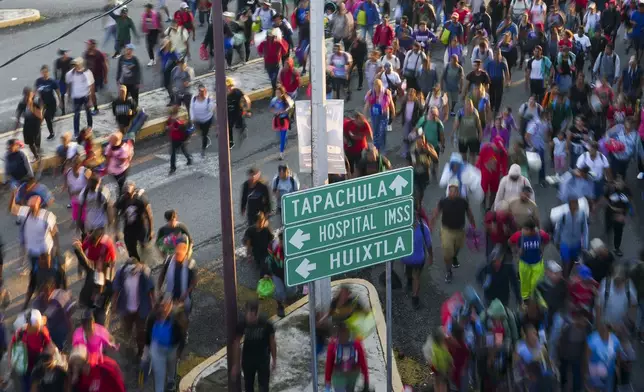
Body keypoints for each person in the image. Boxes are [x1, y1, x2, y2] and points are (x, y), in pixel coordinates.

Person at [429, 179, 476, 283]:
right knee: (447, 251)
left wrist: (473, 225)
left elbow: (469, 213)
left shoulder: (463, 201)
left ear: (458, 192)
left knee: (458, 247)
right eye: (451, 191)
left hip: (459, 230)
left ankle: (454, 256)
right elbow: (436, 213)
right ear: (448, 191)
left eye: (455, 191)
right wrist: (431, 225)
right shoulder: (443, 202)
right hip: (447, 230)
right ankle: (448, 271)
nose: (453, 193)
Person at [112, 257, 155, 360]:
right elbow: (116, 290)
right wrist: (114, 305)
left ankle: (141, 352)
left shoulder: (144, 273)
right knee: (127, 330)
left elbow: (151, 290)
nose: (132, 272)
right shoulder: (121, 273)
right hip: (126, 309)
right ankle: (128, 348)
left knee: (141, 332)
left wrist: (154, 304)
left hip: (141, 309)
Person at [72, 229, 117, 324]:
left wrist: (111, 306)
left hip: (99, 307)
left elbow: (113, 261)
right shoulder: (92, 272)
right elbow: (83, 259)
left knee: (100, 320)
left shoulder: (109, 285)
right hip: (88, 302)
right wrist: (77, 249)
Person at [143, 295, 186, 392]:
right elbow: (148, 336)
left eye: (166, 306)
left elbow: (182, 336)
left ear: (170, 306)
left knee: (171, 367)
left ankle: (171, 381)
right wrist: (145, 354)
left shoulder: (176, 318)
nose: (163, 309)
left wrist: (179, 352)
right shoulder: (152, 318)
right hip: (157, 350)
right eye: (161, 306)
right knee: (159, 375)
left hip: (172, 349)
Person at [232, 300, 277, 392]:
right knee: (248, 386)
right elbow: (236, 343)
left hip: (263, 360)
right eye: (249, 315)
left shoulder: (266, 324)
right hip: (248, 360)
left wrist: (274, 359)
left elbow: (272, 342)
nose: (250, 319)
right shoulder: (242, 323)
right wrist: (236, 364)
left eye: (253, 316)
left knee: (263, 387)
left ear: (257, 314)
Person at [9, 310, 53, 392]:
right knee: (26, 385)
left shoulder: (43, 331)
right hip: (25, 364)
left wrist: (51, 356)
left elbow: (49, 344)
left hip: (38, 363)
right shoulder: (21, 332)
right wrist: (10, 360)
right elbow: (11, 344)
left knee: (37, 383)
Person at [509, 220, 550, 300]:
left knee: (537, 284)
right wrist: (516, 251)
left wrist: (543, 248)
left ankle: (535, 299)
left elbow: (547, 239)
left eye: (524, 229)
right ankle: (525, 299)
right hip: (524, 263)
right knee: (525, 283)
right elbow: (510, 242)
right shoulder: (519, 235)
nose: (522, 231)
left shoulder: (541, 234)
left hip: (537, 264)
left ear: (531, 230)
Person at [158, 235, 198, 316]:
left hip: (184, 301)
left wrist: (186, 293)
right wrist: (159, 290)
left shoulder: (191, 264)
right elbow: (161, 275)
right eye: (176, 253)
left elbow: (194, 281)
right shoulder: (168, 261)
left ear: (185, 250)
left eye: (179, 253)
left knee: (182, 320)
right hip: (169, 298)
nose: (177, 255)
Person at [324, 322, 370, 391]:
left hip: (352, 375)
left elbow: (362, 361)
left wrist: (366, 379)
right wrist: (327, 381)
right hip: (338, 375)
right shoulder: (333, 345)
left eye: (345, 333)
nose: (343, 337)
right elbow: (329, 364)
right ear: (338, 334)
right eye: (341, 335)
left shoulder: (356, 343)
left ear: (349, 333)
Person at [401, 209, 433, 308]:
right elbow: (429, 245)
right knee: (417, 277)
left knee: (408, 269)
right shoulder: (424, 228)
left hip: (405, 258)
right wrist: (431, 256)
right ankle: (415, 298)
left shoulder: (401, 227)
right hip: (418, 259)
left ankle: (409, 282)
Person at [115, 181, 153, 261]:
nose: (127, 196)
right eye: (125, 193)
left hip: (141, 225)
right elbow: (116, 216)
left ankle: (145, 259)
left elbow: (149, 215)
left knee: (143, 243)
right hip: (129, 228)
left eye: (128, 194)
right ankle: (136, 263)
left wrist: (151, 230)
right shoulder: (121, 201)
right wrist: (116, 231)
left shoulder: (141, 200)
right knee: (131, 251)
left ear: (133, 192)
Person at [555, 197, 589, 278]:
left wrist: (585, 244)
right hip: (565, 243)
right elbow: (558, 228)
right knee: (565, 261)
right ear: (569, 205)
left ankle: (567, 274)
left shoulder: (582, 214)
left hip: (576, 243)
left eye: (576, 203)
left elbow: (585, 229)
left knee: (573, 260)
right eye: (572, 203)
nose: (575, 205)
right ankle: (564, 278)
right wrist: (556, 240)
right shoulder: (563, 215)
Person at [363, 79, 395, 151]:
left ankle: (383, 148)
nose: (378, 89)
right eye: (376, 87)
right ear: (374, 86)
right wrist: (365, 116)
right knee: (375, 131)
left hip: (384, 115)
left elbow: (391, 104)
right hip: (374, 115)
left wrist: (393, 113)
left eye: (379, 87)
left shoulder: (386, 92)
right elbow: (366, 105)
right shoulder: (371, 93)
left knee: (383, 132)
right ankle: (376, 148)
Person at [66, 58, 94, 137]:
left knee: (88, 112)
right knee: (76, 114)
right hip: (76, 97)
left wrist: (90, 99)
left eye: (77, 65)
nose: (75, 67)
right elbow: (69, 85)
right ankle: (76, 132)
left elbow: (91, 86)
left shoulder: (87, 73)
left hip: (86, 96)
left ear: (81, 65)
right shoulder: (69, 74)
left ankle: (90, 127)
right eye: (74, 65)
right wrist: (68, 96)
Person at [477, 137, 508, 209]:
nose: (498, 149)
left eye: (500, 147)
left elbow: (504, 164)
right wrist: (477, 170)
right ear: (493, 144)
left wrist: (505, 176)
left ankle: (490, 207)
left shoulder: (502, 152)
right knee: (484, 190)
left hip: (495, 174)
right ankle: (483, 203)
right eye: (497, 147)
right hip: (485, 174)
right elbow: (480, 161)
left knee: (494, 191)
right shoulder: (485, 148)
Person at [15, 88, 44, 162]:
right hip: (27, 124)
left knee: (36, 141)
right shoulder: (22, 103)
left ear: (32, 94)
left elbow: (40, 116)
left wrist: (31, 106)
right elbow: (18, 115)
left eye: (29, 95)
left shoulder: (37, 102)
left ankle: (38, 152)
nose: (27, 97)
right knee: (30, 142)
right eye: (25, 95)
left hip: (36, 124)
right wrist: (17, 127)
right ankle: (36, 156)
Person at [257, 28, 288, 95]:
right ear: (267, 36)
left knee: (273, 78)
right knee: (272, 78)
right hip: (267, 64)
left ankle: (275, 92)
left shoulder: (278, 42)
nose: (270, 37)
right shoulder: (263, 43)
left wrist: (281, 43)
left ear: (274, 36)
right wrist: (262, 53)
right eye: (269, 36)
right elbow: (259, 51)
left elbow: (285, 52)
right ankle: (278, 89)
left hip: (276, 63)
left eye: (272, 36)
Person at [35, 65, 61, 140]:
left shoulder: (52, 81)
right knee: (47, 117)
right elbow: (37, 90)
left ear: (48, 73)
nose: (45, 74)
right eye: (43, 72)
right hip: (43, 103)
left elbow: (57, 91)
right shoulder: (38, 81)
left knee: (50, 117)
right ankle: (51, 133)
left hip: (52, 102)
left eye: (46, 72)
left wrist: (60, 101)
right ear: (41, 73)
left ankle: (51, 120)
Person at [453, 98, 482, 163]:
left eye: (470, 106)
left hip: (473, 137)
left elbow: (479, 125)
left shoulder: (475, 112)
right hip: (462, 138)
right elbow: (456, 125)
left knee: (473, 155)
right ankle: (465, 166)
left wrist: (480, 134)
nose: (469, 108)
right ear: (464, 106)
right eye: (467, 106)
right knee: (463, 154)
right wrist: (454, 136)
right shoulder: (460, 112)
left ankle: (472, 168)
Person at [104, 132, 133, 199]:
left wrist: (114, 155)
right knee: (117, 183)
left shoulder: (124, 149)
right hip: (113, 170)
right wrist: (107, 166)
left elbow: (123, 161)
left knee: (120, 185)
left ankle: (122, 197)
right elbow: (107, 157)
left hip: (122, 170)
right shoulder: (110, 146)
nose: (111, 142)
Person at [190, 83, 215, 157]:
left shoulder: (208, 100)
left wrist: (210, 101)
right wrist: (192, 118)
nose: (201, 93)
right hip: (197, 121)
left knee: (204, 135)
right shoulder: (194, 98)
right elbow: (191, 108)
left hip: (206, 120)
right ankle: (206, 137)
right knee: (201, 133)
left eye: (203, 91)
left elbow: (211, 109)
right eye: (200, 91)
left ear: (205, 91)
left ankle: (203, 149)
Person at [269, 86, 294, 160]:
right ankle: (284, 142)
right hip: (277, 120)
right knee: (280, 136)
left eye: (279, 93)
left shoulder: (287, 99)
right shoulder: (274, 100)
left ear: (282, 93)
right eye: (276, 93)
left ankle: (281, 153)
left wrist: (284, 111)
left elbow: (291, 107)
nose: (277, 94)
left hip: (284, 120)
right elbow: (270, 108)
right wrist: (275, 112)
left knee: (282, 137)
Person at [226, 77, 251, 149]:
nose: (229, 88)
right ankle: (231, 142)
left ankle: (243, 129)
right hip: (229, 112)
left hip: (237, 112)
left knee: (240, 125)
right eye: (227, 87)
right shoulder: (223, 94)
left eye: (230, 86)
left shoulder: (237, 92)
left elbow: (247, 100)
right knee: (228, 126)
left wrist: (247, 110)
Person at [54, 49, 72, 116]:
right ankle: (63, 111)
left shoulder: (71, 60)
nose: (65, 55)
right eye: (64, 54)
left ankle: (71, 104)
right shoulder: (58, 61)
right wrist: (56, 79)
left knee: (71, 93)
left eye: (66, 54)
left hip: (70, 79)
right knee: (62, 95)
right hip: (62, 79)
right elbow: (56, 71)